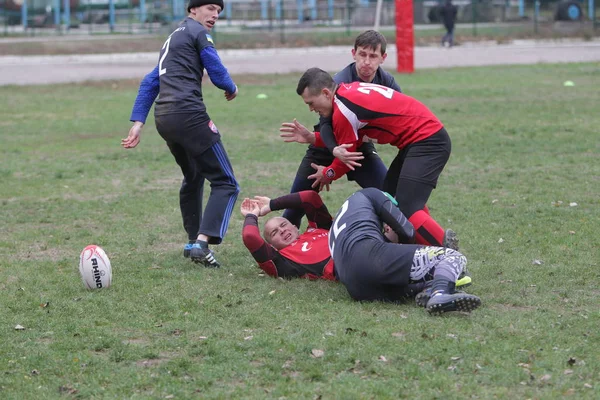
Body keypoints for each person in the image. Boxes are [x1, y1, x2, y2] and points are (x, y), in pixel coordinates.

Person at [284, 67, 457, 250]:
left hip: (427, 141)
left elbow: (348, 156)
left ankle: (447, 253)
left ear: (326, 93)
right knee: (390, 197)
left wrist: (328, 173)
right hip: (418, 140)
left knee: (406, 206)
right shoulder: (347, 91)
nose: (311, 109)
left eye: (311, 103)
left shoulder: (343, 110)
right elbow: (352, 141)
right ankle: (416, 248)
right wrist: (313, 138)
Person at [122, 0, 240, 268]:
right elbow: (216, 68)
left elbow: (151, 80)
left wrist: (138, 122)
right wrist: (232, 87)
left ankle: (191, 242)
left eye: (219, 11)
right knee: (227, 183)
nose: (215, 15)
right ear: (193, 10)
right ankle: (202, 243)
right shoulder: (198, 33)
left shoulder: (173, 39)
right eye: (210, 8)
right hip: (189, 116)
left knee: (194, 175)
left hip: (165, 119)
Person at [279, 30, 401, 229]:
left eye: (373, 56)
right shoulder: (340, 82)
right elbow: (326, 123)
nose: (366, 62)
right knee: (296, 204)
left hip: (357, 149)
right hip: (325, 145)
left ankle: (403, 239)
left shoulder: (387, 83)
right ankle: (282, 251)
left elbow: (399, 114)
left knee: (389, 195)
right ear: (353, 53)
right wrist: (334, 149)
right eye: (362, 54)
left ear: (383, 58)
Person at [329, 188, 480, 314]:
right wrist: (409, 246)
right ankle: (440, 293)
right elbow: (407, 231)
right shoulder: (373, 193)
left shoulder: (347, 218)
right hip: (368, 257)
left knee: (400, 279)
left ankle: (429, 289)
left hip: (355, 287)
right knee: (453, 256)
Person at [240, 190, 336, 280]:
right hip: (344, 262)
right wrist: (251, 215)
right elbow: (250, 236)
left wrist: (271, 204)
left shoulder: (318, 228)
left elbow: (309, 197)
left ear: (295, 227)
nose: (282, 230)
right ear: (273, 247)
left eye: (283, 225)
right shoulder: (283, 261)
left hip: (349, 239)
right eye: (274, 232)